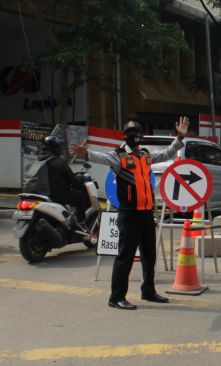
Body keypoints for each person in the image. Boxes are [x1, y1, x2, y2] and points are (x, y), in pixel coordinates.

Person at [69, 117, 189, 310]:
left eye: (137, 133)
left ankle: (148, 291)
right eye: (130, 134)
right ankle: (116, 297)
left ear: (141, 135)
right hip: (128, 214)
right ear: (125, 136)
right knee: (125, 256)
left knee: (150, 255)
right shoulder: (117, 156)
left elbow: (167, 154)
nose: (134, 137)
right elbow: (100, 157)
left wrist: (179, 138)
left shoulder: (145, 155)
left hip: (145, 213)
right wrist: (86, 153)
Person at [41, 135, 89, 227]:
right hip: (56, 195)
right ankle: (82, 223)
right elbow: (73, 181)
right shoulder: (59, 162)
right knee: (80, 197)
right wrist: (82, 179)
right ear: (55, 148)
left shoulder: (39, 160)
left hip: (41, 194)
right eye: (59, 146)